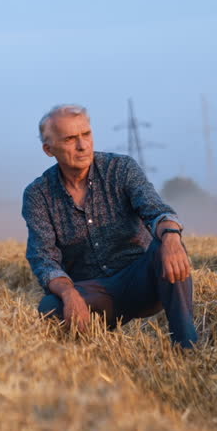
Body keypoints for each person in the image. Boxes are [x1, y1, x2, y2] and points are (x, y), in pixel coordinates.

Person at [23, 104, 199, 348]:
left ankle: (187, 345)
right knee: (50, 307)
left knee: (166, 245)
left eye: (86, 134)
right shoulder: (37, 194)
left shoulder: (121, 169)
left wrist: (171, 237)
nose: (83, 145)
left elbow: (155, 209)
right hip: (95, 294)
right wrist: (69, 294)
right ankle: (90, 355)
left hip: (141, 282)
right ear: (48, 149)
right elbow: (43, 258)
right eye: (71, 139)